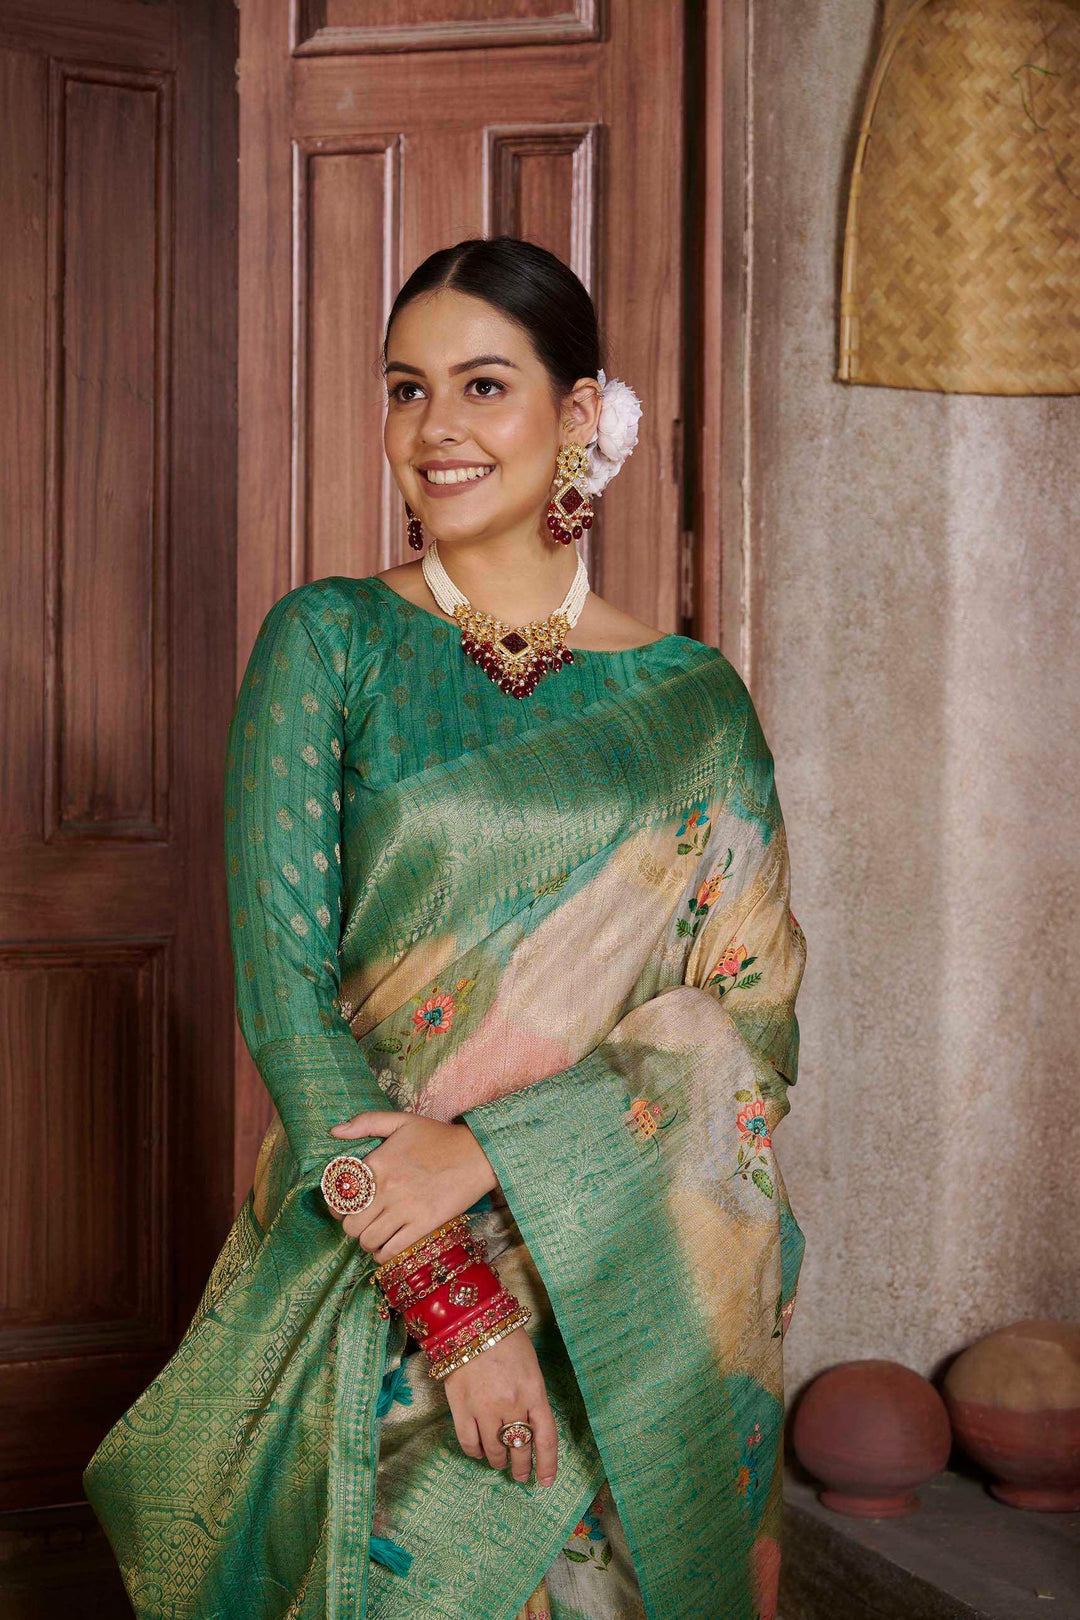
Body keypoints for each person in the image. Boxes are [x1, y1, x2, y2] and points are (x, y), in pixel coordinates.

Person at [84, 235, 807, 1620]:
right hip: (382, 1254)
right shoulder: (331, 644)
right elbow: (288, 1004)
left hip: (632, 1270)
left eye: (484, 386)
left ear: (580, 415)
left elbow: (751, 1022)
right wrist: (453, 1305)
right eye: (406, 391)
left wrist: (489, 1153)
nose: (437, 431)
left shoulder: (693, 705)